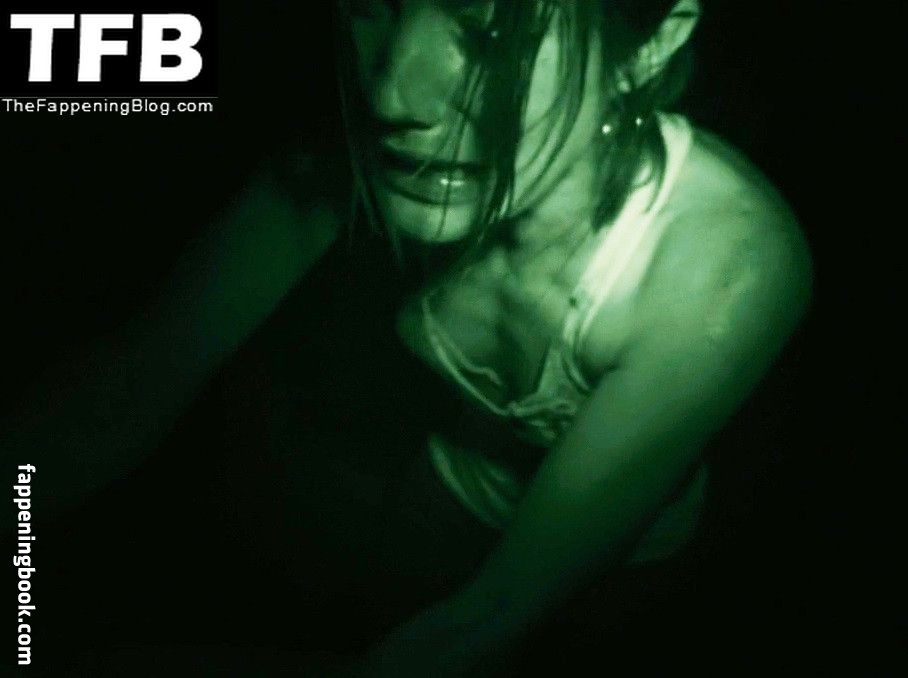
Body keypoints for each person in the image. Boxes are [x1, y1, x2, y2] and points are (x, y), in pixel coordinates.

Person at [1, 0, 811, 674]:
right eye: (373, 6)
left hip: (622, 571)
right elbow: (119, 393)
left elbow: (498, 613)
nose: (393, 94)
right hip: (438, 482)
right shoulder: (347, 155)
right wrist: (19, 593)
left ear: (651, 44)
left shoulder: (721, 272)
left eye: (488, 32)